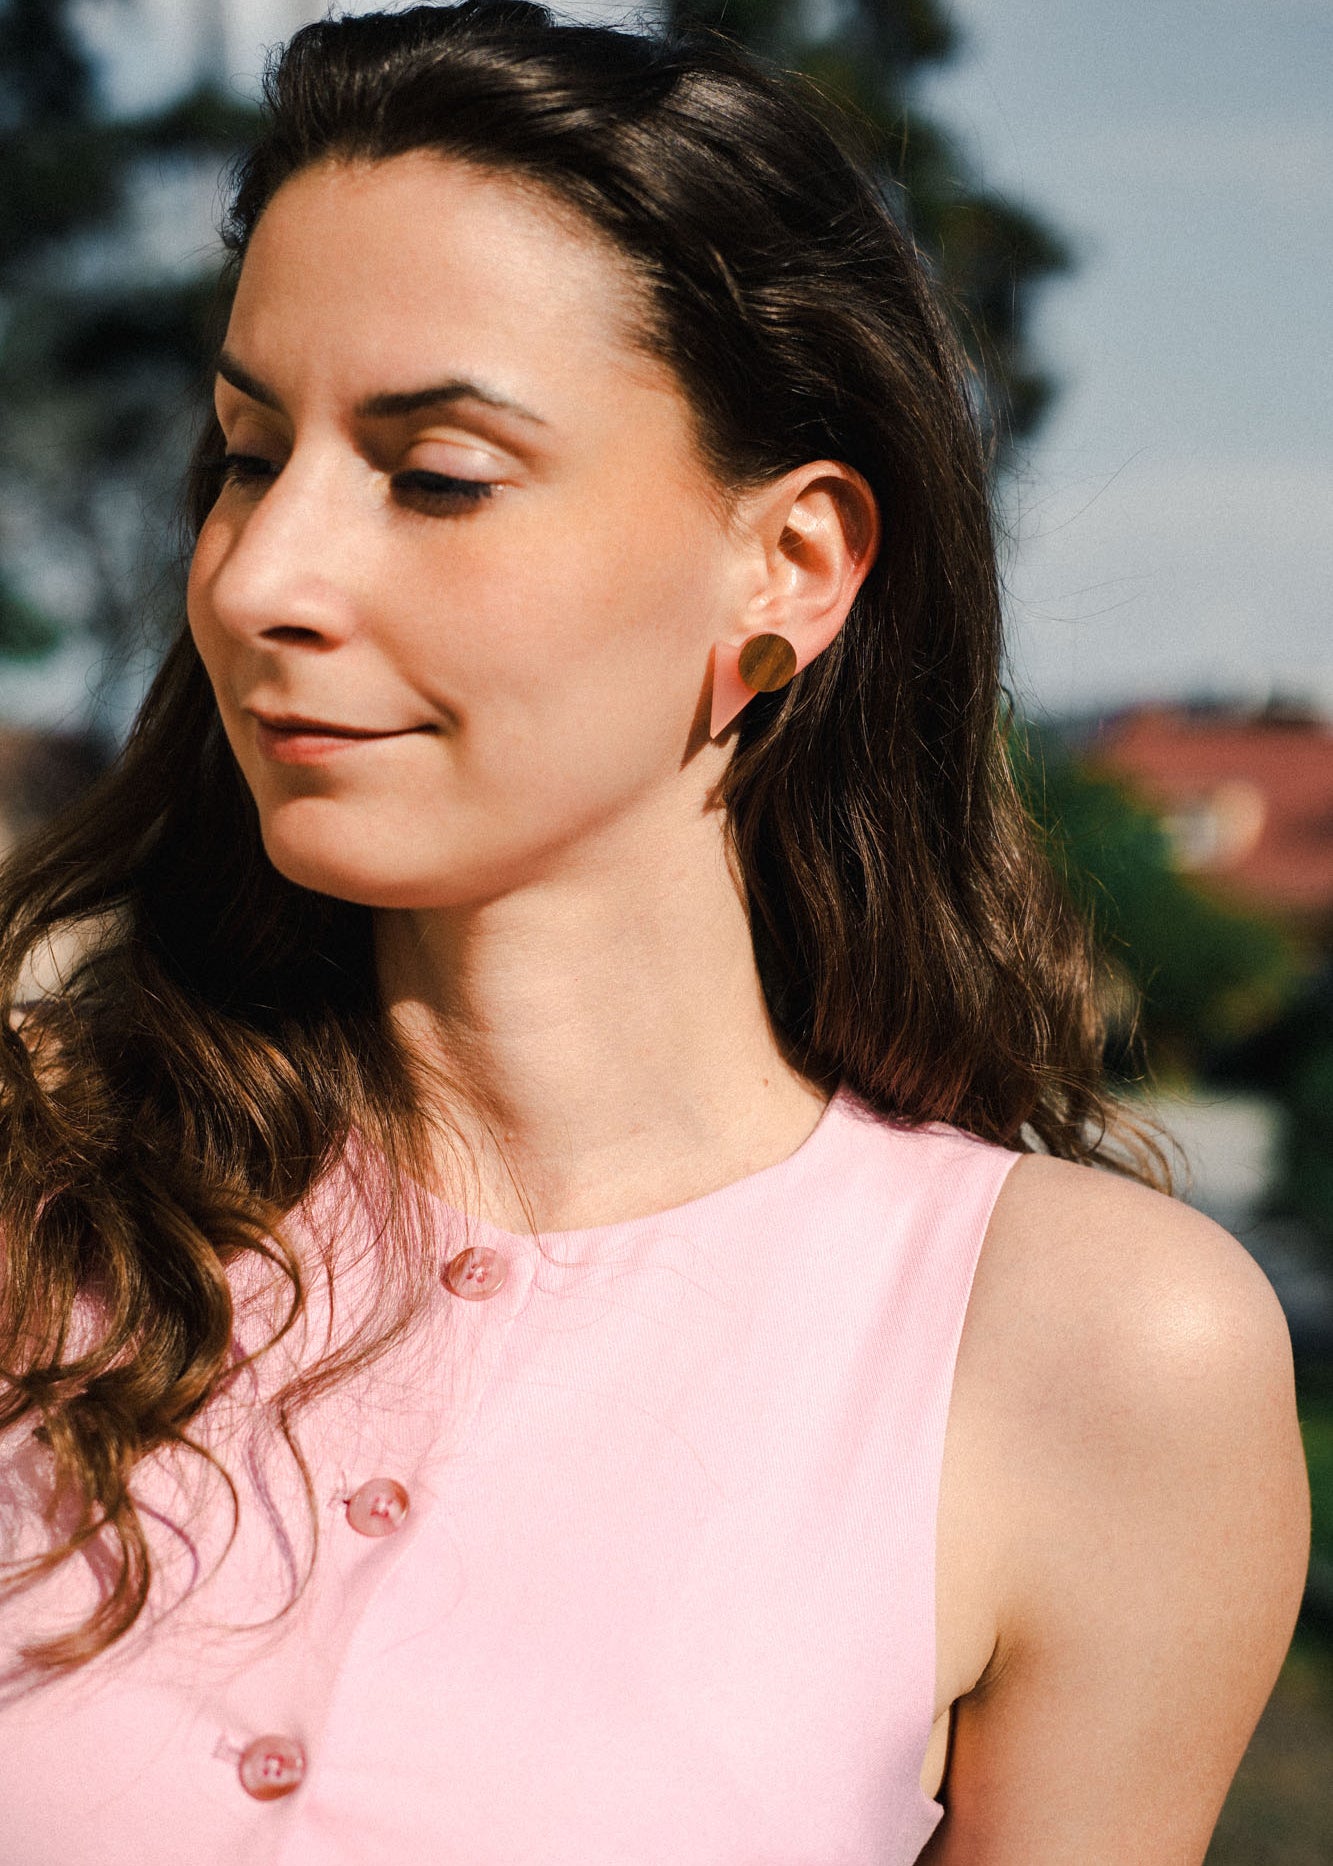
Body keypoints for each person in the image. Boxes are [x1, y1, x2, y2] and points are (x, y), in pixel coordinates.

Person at [0, 3, 1310, 1860]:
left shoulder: (1090, 1355)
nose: (263, 575)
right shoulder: (35, 1184)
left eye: (437, 474)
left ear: (786, 567)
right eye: (241, 452)